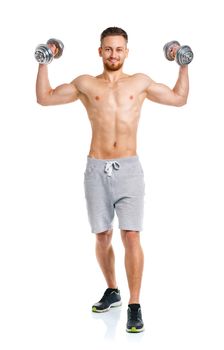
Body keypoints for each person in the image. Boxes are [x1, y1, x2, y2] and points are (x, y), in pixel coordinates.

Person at [36, 27, 189, 333]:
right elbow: (45, 98)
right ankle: (112, 290)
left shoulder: (140, 82)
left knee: (131, 235)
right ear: (100, 51)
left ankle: (134, 304)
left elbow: (178, 98)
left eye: (119, 49)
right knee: (102, 236)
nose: (113, 54)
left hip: (130, 169)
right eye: (108, 49)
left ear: (126, 52)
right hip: (96, 169)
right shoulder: (85, 84)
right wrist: (44, 61)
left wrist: (183, 64)